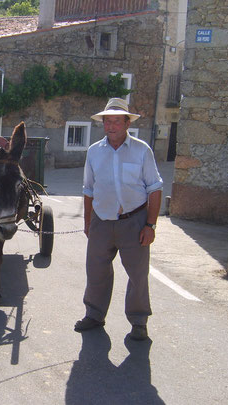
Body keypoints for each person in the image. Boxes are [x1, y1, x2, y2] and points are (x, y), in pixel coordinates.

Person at [74, 98, 163, 341]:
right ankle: (94, 315)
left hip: (134, 222)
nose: (111, 125)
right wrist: (88, 223)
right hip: (101, 221)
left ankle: (138, 322)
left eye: (116, 121)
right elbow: (89, 189)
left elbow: (155, 189)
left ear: (126, 123)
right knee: (96, 271)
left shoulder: (142, 150)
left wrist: (150, 225)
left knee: (137, 275)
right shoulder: (94, 152)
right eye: (107, 121)